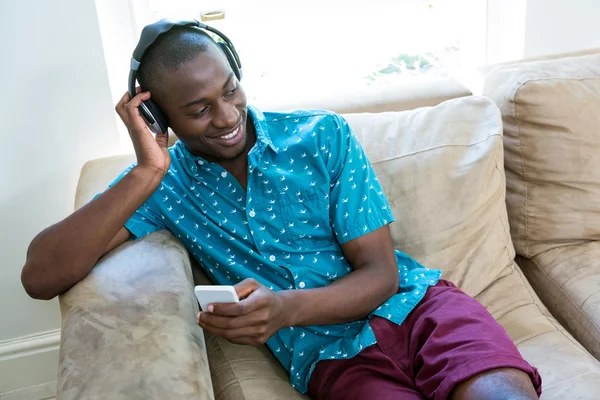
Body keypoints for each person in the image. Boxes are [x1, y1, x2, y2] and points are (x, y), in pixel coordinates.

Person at [22, 20, 542, 400]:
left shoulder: (322, 135)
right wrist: (144, 171)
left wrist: (285, 309)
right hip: (333, 359)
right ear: (157, 113)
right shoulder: (162, 187)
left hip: (420, 311)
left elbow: (381, 274)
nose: (228, 118)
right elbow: (41, 274)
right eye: (199, 110)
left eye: (230, 91)